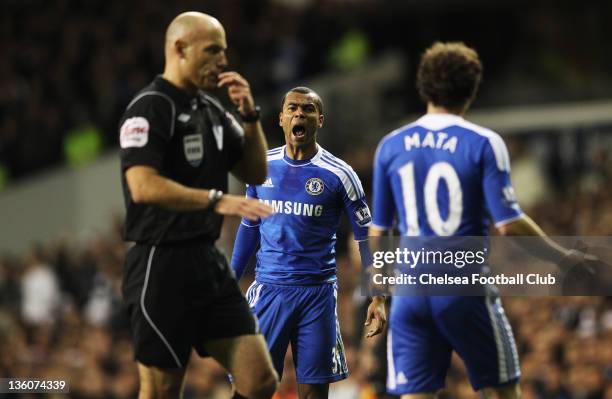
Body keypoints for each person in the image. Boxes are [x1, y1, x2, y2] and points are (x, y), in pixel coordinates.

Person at [370, 42, 594, 399]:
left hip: (409, 293)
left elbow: (378, 232)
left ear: (422, 85)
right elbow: (508, 224)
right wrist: (564, 258)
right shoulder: (483, 143)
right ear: (472, 89)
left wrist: (379, 292)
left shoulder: (390, 145)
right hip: (463, 287)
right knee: (503, 390)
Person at [119, 12, 279, 399]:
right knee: (161, 390)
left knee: (260, 380)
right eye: (212, 51)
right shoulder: (151, 107)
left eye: (223, 51)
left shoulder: (212, 111)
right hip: (161, 264)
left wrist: (250, 115)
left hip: (207, 262)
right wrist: (215, 200)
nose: (223, 61)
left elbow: (255, 172)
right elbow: (142, 186)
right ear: (179, 49)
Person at [230, 87, 387, 399]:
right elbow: (248, 228)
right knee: (251, 388)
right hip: (270, 291)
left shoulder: (340, 174)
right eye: (292, 108)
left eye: (307, 109)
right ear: (281, 119)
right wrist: (229, 282)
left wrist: (378, 295)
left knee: (314, 395)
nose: (299, 113)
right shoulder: (261, 167)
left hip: (317, 295)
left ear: (320, 120)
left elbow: (366, 238)